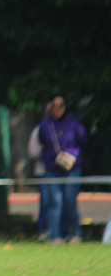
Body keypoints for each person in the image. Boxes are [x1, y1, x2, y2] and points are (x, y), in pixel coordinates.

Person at [38, 96, 88, 244]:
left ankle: (75, 233)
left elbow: (83, 140)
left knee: (70, 200)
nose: (57, 109)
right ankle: (55, 235)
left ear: (65, 107)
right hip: (52, 166)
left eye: (60, 105)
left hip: (72, 166)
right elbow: (42, 140)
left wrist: (72, 154)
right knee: (55, 201)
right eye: (54, 105)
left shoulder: (74, 123)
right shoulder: (46, 125)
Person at [26, 101, 52, 241]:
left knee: (63, 202)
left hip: (62, 172)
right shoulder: (39, 130)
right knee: (46, 202)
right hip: (43, 171)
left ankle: (60, 231)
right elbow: (33, 152)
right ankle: (43, 230)